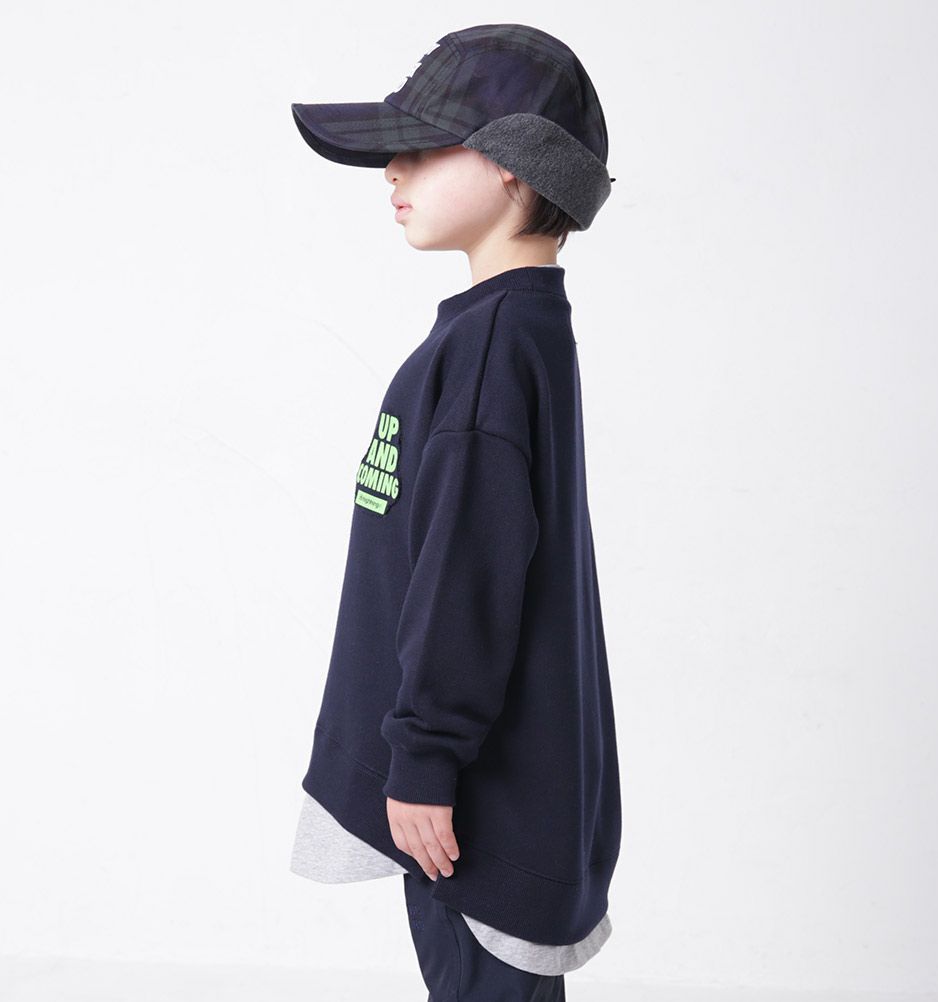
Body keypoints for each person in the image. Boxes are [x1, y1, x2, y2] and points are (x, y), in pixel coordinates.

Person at [288, 23, 622, 1001]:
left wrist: (424, 760)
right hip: (488, 793)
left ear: (515, 165)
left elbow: (467, 576)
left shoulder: (489, 351)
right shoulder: (520, 333)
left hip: (472, 807)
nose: (394, 171)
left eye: (424, 148)